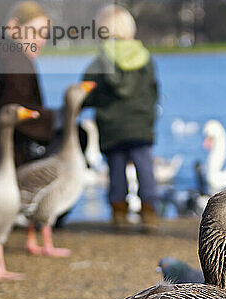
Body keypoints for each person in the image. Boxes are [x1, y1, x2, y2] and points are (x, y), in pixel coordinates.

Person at [82, 4, 159, 229]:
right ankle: (150, 212)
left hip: (111, 125)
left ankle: (118, 214)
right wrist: (148, 116)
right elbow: (153, 90)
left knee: (116, 170)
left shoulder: (99, 62)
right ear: (130, 29)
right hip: (139, 123)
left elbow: (87, 91)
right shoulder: (145, 58)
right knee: (144, 168)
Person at [0, 1, 54, 181]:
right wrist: (61, 120)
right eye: (34, 32)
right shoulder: (14, 57)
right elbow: (19, 111)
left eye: (44, 35)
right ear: (13, 27)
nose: (41, 40)